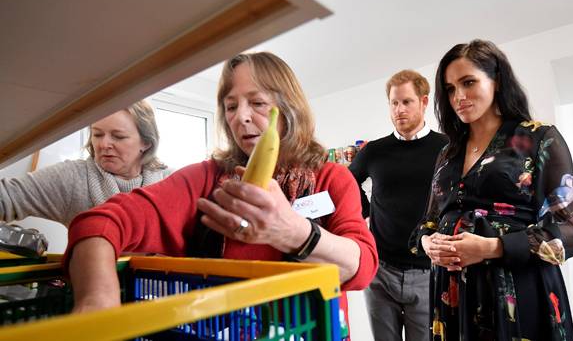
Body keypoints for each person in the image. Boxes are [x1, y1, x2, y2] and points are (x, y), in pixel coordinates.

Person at [64, 52, 379, 329]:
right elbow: (101, 222)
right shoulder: (205, 179)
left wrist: (294, 231)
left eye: (256, 103)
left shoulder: (332, 178)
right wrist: (98, 300)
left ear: (288, 109)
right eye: (231, 106)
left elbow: (361, 266)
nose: (240, 117)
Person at [410, 39, 573, 340]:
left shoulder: (539, 138)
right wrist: (428, 243)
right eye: (450, 89)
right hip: (451, 294)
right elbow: (429, 221)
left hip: (516, 289)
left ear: (497, 81)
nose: (459, 96)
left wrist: (493, 248)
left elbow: (572, 231)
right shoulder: (448, 153)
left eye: (468, 82)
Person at [349, 69, 448, 341]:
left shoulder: (446, 147)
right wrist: (366, 212)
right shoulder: (373, 151)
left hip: (428, 272)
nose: (399, 110)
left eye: (406, 102)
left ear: (424, 102)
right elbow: (346, 183)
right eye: (394, 103)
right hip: (380, 270)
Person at [0, 100, 167, 226]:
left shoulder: (170, 181)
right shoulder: (73, 178)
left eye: (118, 136)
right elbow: (6, 196)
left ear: (146, 143)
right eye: (98, 134)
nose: (103, 144)